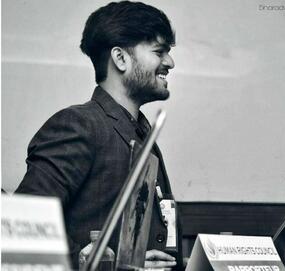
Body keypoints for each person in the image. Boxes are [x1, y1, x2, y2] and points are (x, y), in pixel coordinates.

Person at [15, 1, 181, 270]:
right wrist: (100, 263)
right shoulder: (77, 124)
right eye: (159, 51)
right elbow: (26, 228)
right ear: (121, 58)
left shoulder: (141, 131)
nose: (170, 62)